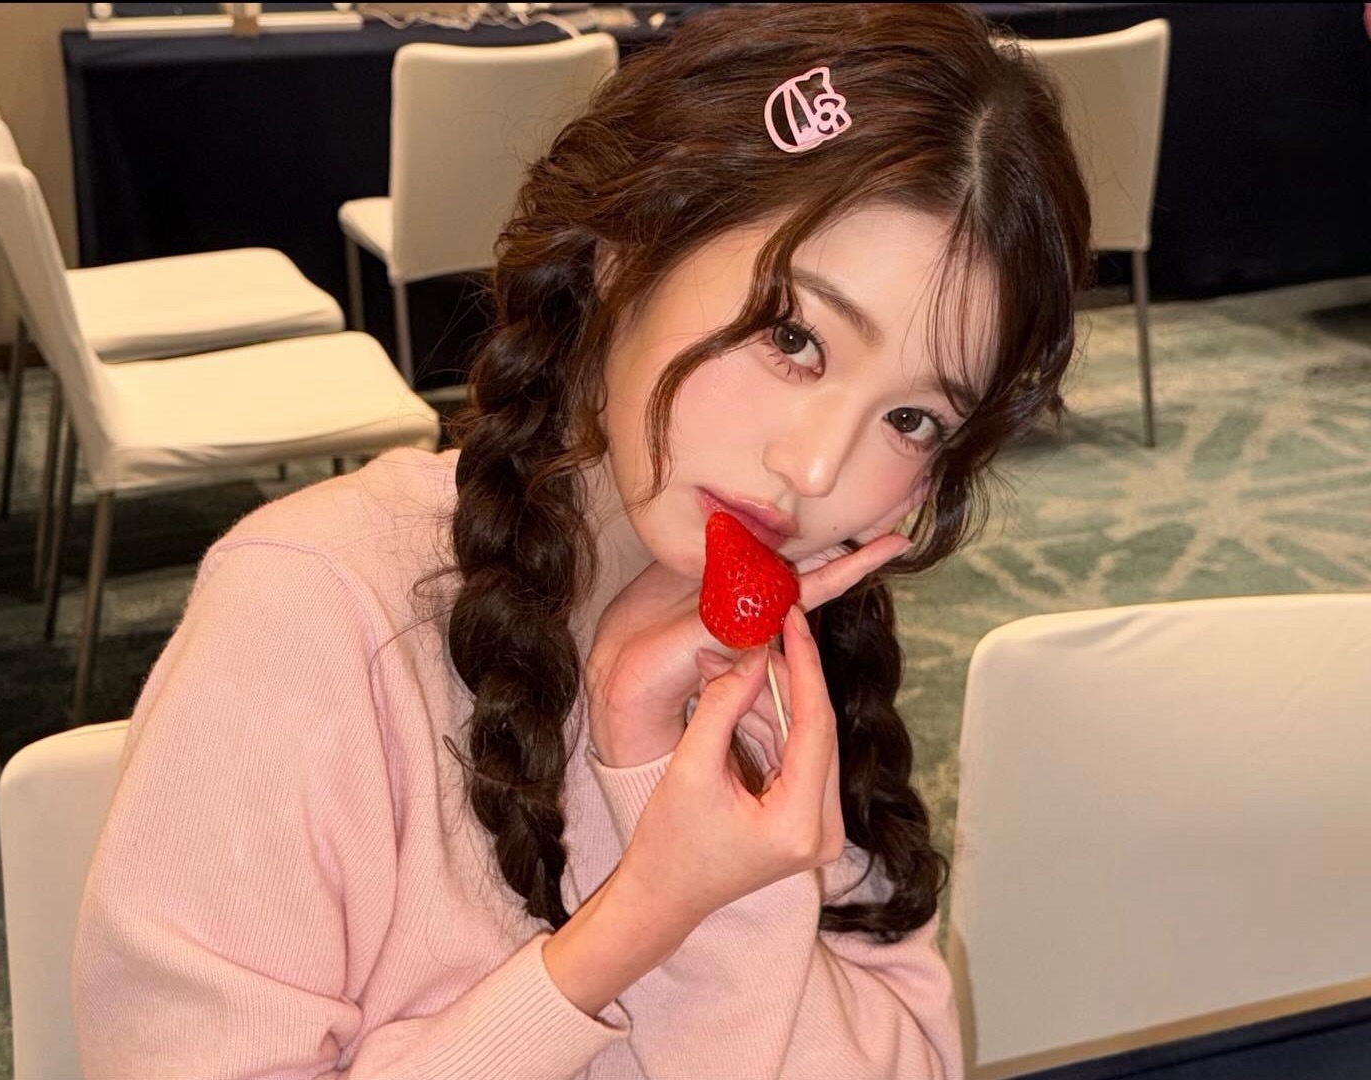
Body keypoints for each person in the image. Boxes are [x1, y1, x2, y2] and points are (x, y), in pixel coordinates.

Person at [72, 4, 1090, 1078]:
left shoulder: (781, 648)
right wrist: (645, 912)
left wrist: (659, 778)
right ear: (627, 250)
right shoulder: (312, 613)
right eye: (793, 335)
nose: (817, 469)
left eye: (913, 418)